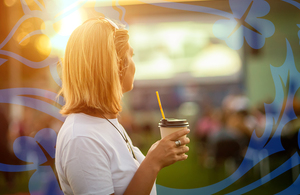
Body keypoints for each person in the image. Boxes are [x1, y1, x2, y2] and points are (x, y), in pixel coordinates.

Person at [55, 17, 190, 195]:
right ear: (116, 65)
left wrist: (154, 154)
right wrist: (153, 163)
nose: (134, 65)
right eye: (131, 55)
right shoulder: (81, 138)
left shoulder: (104, 121)